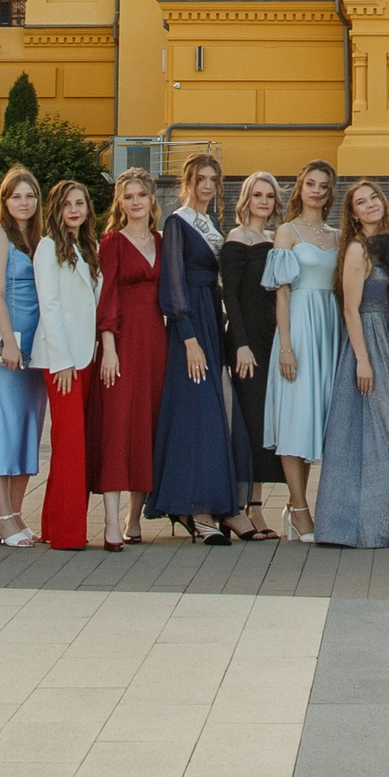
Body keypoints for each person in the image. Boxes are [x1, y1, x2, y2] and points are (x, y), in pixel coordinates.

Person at [150, 155, 255, 543]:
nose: (207, 185)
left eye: (213, 178)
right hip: (190, 331)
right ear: (188, 182)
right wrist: (189, 339)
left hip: (213, 322)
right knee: (198, 416)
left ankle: (222, 505)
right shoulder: (177, 222)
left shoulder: (213, 225)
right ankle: (196, 508)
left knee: (222, 412)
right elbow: (172, 283)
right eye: (200, 178)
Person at [319, 181, 389, 550]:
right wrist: (363, 360)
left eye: (374, 199)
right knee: (365, 431)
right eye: (361, 202)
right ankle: (355, 526)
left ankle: (378, 519)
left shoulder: (387, 247)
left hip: (386, 338)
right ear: (352, 213)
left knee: (383, 434)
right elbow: (350, 308)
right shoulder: (357, 249)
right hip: (365, 340)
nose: (369, 205)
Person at [264, 160, 342, 543]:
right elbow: (281, 293)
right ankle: (298, 509)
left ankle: (299, 504)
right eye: (309, 183)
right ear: (300, 187)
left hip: (329, 329)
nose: (315, 190)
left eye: (323, 185)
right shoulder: (287, 232)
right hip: (298, 327)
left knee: (314, 420)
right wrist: (287, 347)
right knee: (296, 416)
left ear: (329, 193)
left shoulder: (336, 235)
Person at [94, 168, 167, 546]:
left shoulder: (162, 240)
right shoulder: (112, 243)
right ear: (120, 203)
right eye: (128, 196)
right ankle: (109, 522)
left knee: (147, 424)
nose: (135, 201)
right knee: (118, 425)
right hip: (121, 343)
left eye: (141, 195)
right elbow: (106, 298)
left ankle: (133, 518)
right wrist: (108, 348)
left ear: (152, 199)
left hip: (156, 339)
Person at [0, 167, 48, 546]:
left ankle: (15, 516)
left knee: (27, 430)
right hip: (6, 346)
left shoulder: (38, 239)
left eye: (30, 196)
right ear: (5, 201)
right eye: (17, 196)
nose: (24, 202)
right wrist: (8, 343)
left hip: (35, 351)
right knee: (3, 428)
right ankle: (1, 516)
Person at [30, 179, 101, 550]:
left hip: (87, 358)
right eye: (67, 204)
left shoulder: (90, 247)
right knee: (71, 442)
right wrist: (61, 361)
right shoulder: (46, 248)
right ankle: (69, 534)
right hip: (62, 361)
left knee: (69, 441)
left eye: (80, 203)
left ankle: (53, 523)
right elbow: (50, 305)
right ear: (55, 210)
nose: (74, 210)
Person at [218, 171, 284, 538]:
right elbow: (231, 296)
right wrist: (240, 343)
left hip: (272, 338)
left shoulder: (276, 238)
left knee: (263, 426)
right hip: (246, 344)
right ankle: (234, 507)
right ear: (246, 199)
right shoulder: (236, 238)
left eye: (269, 196)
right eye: (257, 194)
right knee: (246, 423)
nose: (263, 201)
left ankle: (255, 506)